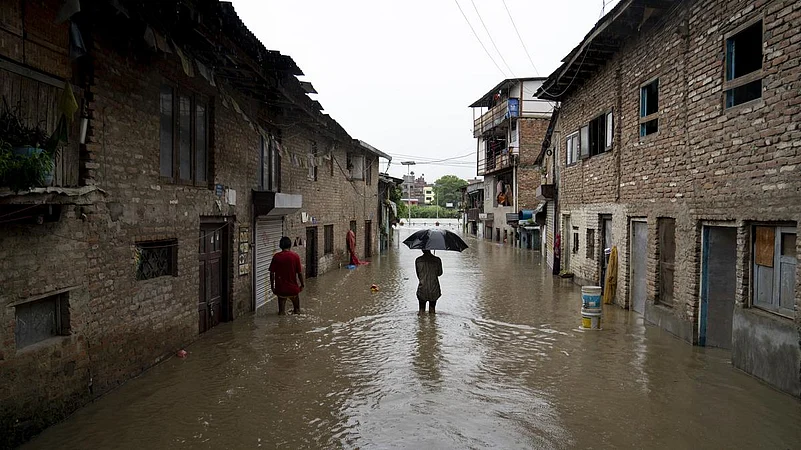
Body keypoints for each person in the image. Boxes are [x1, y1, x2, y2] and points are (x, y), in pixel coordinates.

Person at [269, 236, 305, 315]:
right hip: (293, 290)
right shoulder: (295, 256)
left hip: (281, 290)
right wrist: (302, 284)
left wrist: (272, 287)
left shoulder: (276, 257)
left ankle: (281, 326)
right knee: (297, 311)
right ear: (290, 245)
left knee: (281, 313)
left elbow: (271, 273)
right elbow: (299, 273)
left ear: (280, 246)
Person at [415, 249, 443, 314]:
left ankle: (421, 323)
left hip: (422, 288)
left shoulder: (418, 260)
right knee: (432, 310)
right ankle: (433, 323)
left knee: (421, 310)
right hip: (434, 288)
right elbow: (440, 273)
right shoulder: (437, 260)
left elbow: (418, 275)